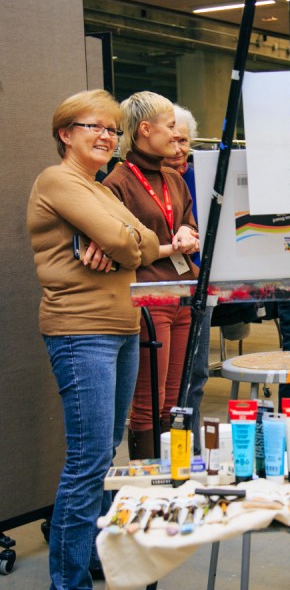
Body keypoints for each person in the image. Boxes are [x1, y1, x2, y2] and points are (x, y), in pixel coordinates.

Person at [27, 90, 160, 588]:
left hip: (120, 328)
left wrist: (121, 242)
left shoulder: (100, 188)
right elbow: (132, 242)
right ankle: (69, 579)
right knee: (87, 460)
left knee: (105, 453)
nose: (107, 135)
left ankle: (91, 557)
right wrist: (121, 242)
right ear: (66, 134)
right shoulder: (57, 180)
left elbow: (144, 238)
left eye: (112, 128)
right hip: (81, 331)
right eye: (94, 127)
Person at [103, 91, 201, 459]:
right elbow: (120, 245)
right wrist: (168, 246)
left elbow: (188, 222)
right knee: (149, 400)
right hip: (148, 299)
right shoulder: (118, 182)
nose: (177, 137)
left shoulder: (173, 179)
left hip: (183, 295)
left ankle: (174, 479)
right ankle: (148, 484)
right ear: (145, 129)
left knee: (175, 399)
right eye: (170, 127)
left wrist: (187, 234)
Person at [162, 104, 211, 452]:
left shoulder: (201, 176)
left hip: (199, 283)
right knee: (162, 385)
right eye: (172, 139)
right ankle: (169, 454)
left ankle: (190, 452)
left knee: (196, 375)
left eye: (184, 140)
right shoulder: (134, 180)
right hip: (161, 291)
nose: (178, 148)